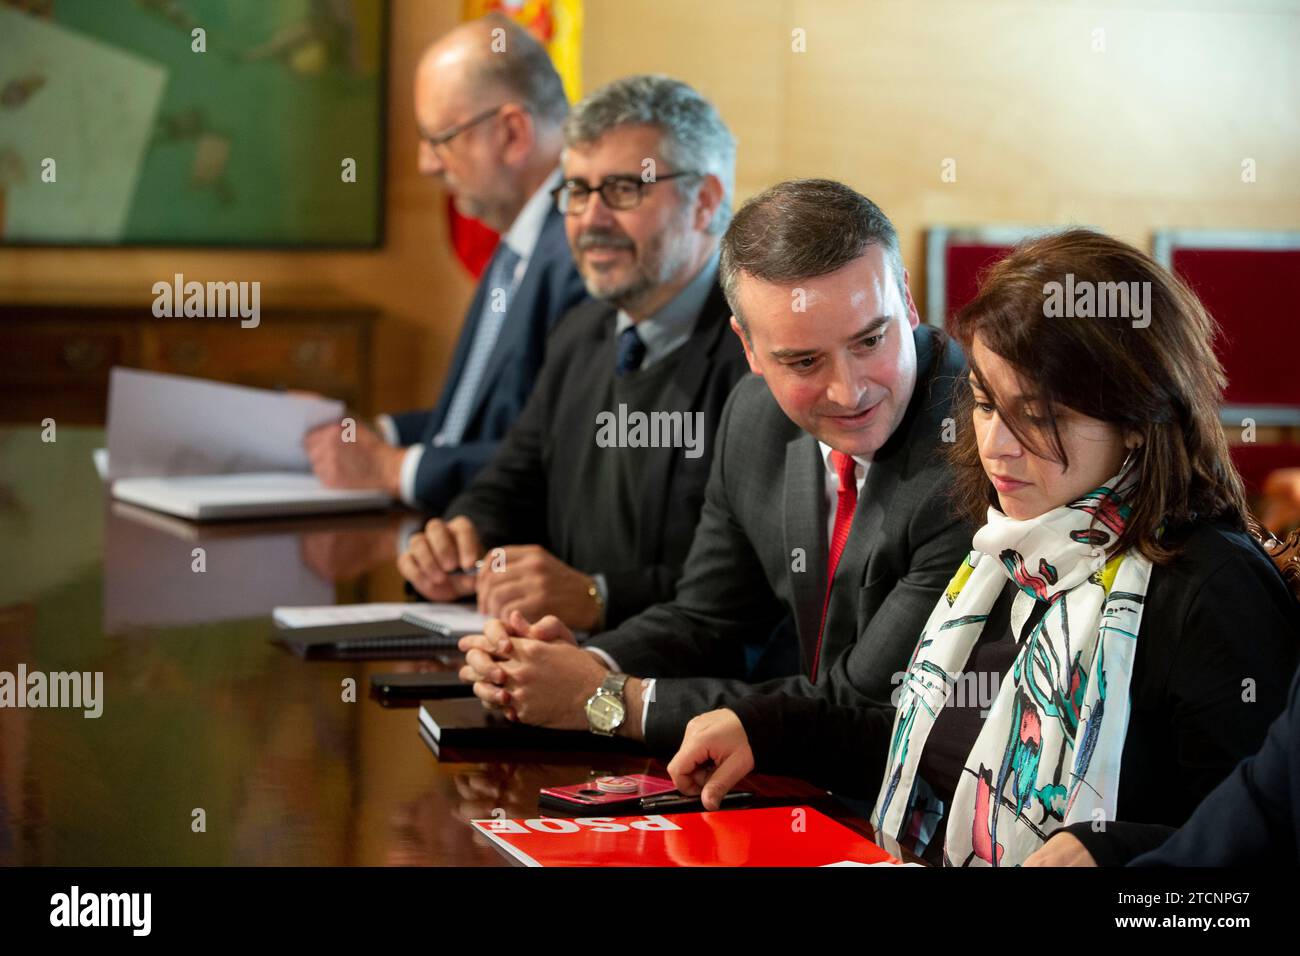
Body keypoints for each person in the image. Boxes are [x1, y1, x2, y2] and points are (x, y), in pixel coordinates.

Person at [668, 229, 1299, 867]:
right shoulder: (1014, 543)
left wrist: (1107, 851)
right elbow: (940, 748)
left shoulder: (1212, 589)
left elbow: (1253, 846)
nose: (996, 445)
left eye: (1036, 416)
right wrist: (770, 726)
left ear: (1136, 419)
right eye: (985, 404)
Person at [454, 180, 972, 750]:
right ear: (747, 348)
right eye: (804, 361)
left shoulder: (976, 450)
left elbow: (864, 707)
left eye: (871, 340)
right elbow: (709, 620)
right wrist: (566, 663)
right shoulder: (755, 416)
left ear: (908, 298)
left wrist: (607, 699)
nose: (849, 392)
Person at [398, 75, 748, 632]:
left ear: (703, 202)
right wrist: (461, 535)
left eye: (623, 190)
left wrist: (599, 596)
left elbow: (758, 587)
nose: (590, 219)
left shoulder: (762, 354)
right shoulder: (579, 333)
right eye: (578, 191)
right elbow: (512, 479)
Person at [305, 14, 587, 511]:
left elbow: (565, 454)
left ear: (512, 134)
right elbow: (487, 420)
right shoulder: (520, 243)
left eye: (442, 140)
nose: (427, 165)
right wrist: (377, 433)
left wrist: (395, 470)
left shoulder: (581, 254)